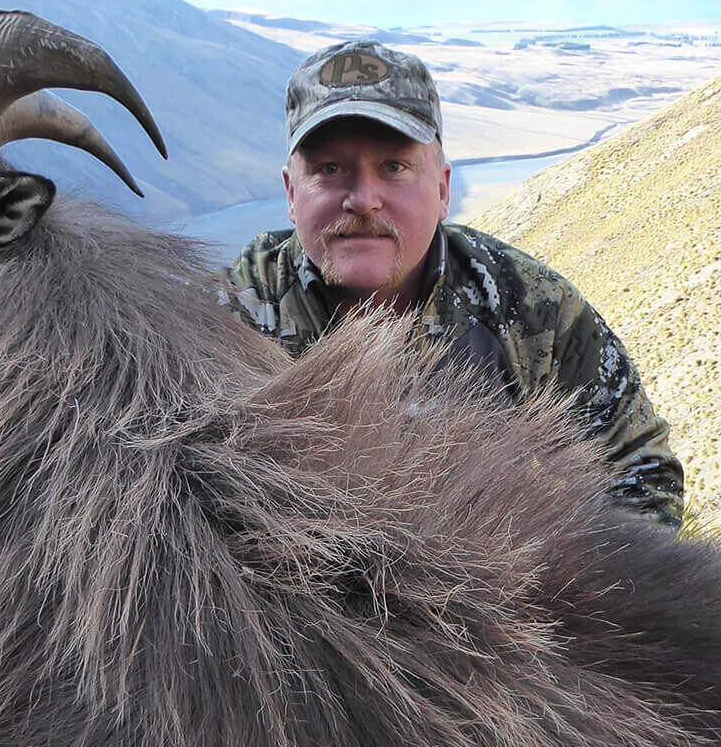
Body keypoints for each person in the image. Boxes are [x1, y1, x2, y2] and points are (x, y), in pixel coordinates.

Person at [223, 39, 685, 528]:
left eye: (394, 168)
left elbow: (640, 472)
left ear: (443, 190)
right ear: (292, 194)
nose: (362, 200)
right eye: (329, 170)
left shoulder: (532, 308)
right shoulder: (228, 319)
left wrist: (579, 591)